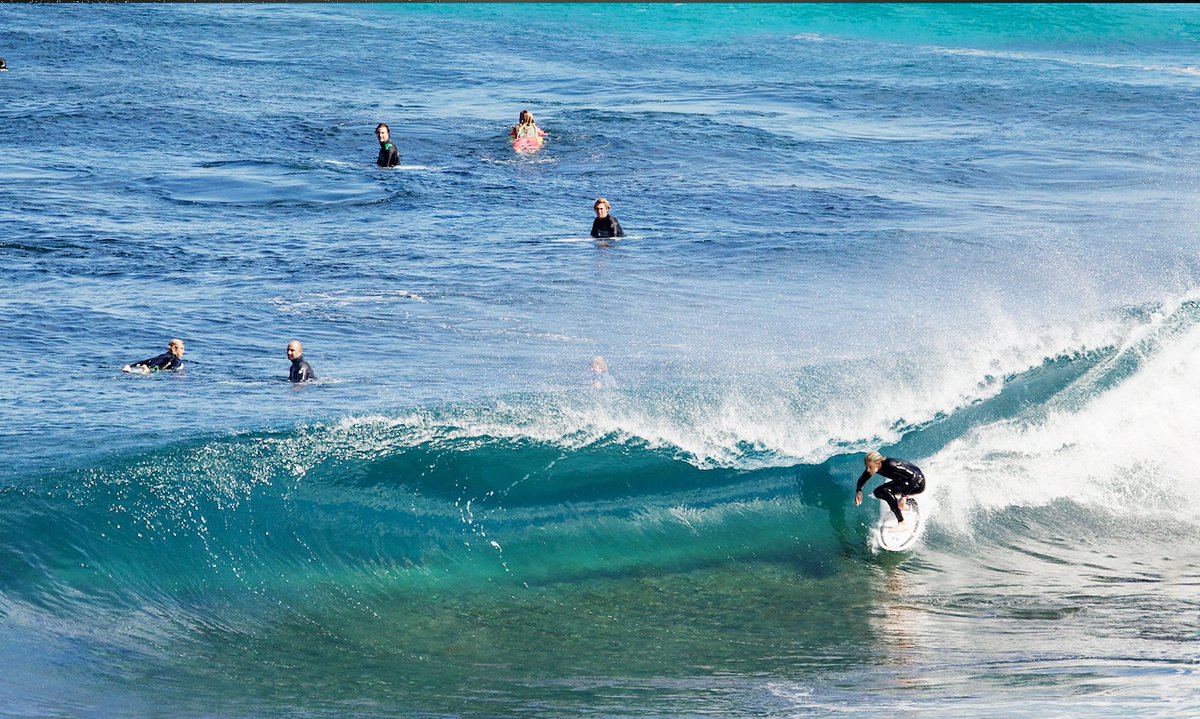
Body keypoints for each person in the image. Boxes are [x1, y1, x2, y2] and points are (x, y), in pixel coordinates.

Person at [854, 451, 926, 526]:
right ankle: (904, 506)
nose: (868, 470)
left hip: (917, 484)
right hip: (903, 481)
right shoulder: (875, 467)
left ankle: (901, 522)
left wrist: (904, 496)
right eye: (867, 467)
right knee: (878, 492)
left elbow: (915, 477)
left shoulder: (892, 466)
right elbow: (862, 479)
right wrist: (859, 491)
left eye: (870, 467)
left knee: (885, 491)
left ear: (878, 463)